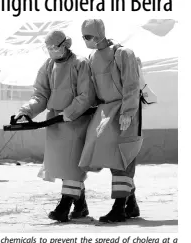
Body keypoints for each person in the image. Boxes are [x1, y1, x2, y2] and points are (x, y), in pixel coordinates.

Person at [14, 30, 96, 222]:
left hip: (77, 121)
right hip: (55, 124)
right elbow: (40, 95)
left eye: (55, 47)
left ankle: (63, 207)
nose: (51, 51)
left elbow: (86, 95)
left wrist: (68, 113)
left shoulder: (80, 64)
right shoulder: (48, 66)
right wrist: (26, 111)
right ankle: (81, 206)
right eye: (48, 48)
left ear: (65, 45)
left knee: (73, 165)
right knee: (62, 166)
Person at [80, 19, 142, 223]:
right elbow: (92, 90)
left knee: (123, 156)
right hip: (105, 111)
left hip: (125, 109)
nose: (86, 41)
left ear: (99, 34)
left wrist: (129, 111)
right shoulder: (91, 58)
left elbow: (132, 85)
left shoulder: (123, 53)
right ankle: (130, 203)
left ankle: (119, 208)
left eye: (88, 36)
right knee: (108, 154)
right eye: (83, 37)